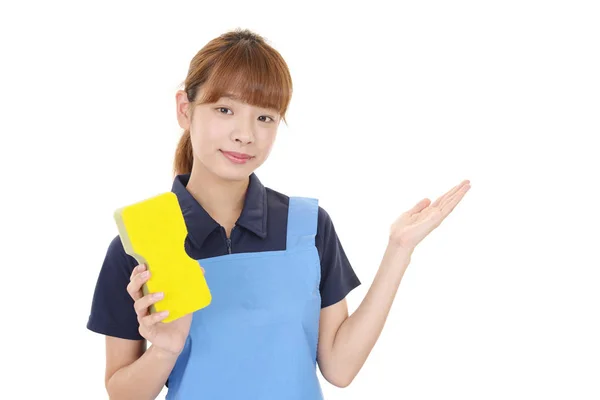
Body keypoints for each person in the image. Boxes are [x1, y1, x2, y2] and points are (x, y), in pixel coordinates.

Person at [86, 28, 471, 400]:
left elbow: (340, 368)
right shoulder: (140, 245)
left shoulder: (309, 226)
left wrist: (398, 249)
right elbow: (122, 395)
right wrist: (165, 350)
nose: (245, 134)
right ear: (185, 110)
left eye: (265, 117)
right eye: (224, 109)